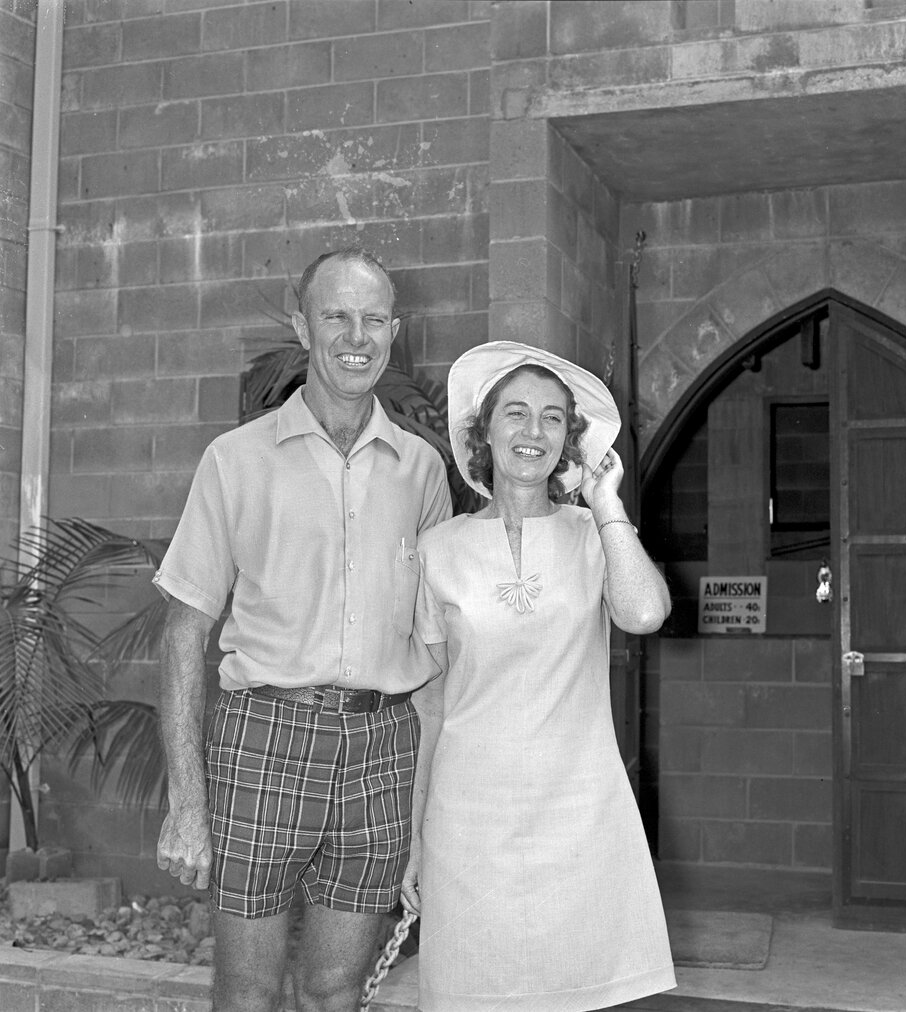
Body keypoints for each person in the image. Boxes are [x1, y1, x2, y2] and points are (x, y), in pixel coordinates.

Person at [153, 248, 452, 1012]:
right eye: (337, 316)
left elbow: (435, 660)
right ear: (302, 326)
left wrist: (428, 813)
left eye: (374, 319)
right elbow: (183, 634)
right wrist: (188, 803)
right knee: (247, 991)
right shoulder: (235, 461)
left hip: (383, 750)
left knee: (335, 991)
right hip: (263, 739)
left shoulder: (423, 472)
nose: (358, 336)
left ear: (395, 330)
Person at [401, 341, 676, 1011]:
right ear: (483, 431)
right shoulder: (439, 549)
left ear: (571, 440)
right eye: (516, 413)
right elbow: (430, 704)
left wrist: (607, 502)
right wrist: (414, 835)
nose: (534, 432)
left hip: (580, 811)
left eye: (553, 418)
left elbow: (643, 612)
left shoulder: (595, 535)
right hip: (469, 817)